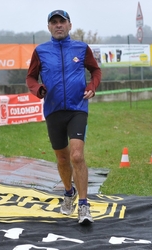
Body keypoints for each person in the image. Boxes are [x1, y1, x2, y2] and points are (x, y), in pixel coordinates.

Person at [26, 10, 101, 225]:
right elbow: (30, 77)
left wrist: (92, 86)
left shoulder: (81, 48)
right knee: (62, 158)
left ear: (69, 25)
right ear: (49, 27)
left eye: (62, 22)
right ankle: (69, 192)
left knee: (77, 156)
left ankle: (84, 205)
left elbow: (95, 71)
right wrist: (37, 88)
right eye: (54, 22)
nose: (58, 25)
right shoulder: (40, 51)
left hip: (78, 108)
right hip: (53, 111)